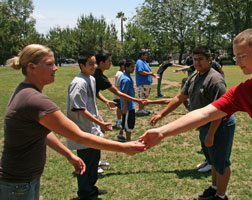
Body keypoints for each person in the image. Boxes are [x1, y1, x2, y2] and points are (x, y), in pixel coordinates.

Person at [140, 28, 252, 200]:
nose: (237, 62)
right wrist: (163, 131)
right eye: (235, 57)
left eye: (241, 56)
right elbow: (203, 114)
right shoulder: (245, 92)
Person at [0, 44, 145, 200]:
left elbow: (44, 133)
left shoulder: (26, 92)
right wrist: (124, 147)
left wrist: (69, 155)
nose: (55, 68)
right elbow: (79, 136)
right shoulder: (35, 100)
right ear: (31, 67)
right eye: (49, 64)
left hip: (26, 179)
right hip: (18, 184)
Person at [149, 46, 235, 200]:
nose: (197, 62)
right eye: (195, 59)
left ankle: (221, 196)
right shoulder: (194, 77)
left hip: (220, 124)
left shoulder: (215, 80)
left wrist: (211, 134)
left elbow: (221, 111)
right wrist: (162, 114)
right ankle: (214, 188)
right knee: (213, 160)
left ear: (209, 60)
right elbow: (179, 98)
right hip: (205, 124)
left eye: (200, 59)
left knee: (221, 161)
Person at [66, 52, 114, 199]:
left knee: (94, 161)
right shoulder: (78, 83)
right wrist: (100, 123)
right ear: (81, 66)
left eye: (94, 63)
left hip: (92, 129)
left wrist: (99, 124)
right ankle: (84, 193)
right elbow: (80, 109)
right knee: (86, 163)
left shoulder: (91, 80)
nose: (94, 66)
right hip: (83, 130)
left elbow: (92, 105)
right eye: (90, 64)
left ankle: (91, 188)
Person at [117, 59, 136, 142]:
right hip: (128, 105)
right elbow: (123, 93)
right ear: (126, 67)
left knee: (125, 120)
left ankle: (120, 134)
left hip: (130, 104)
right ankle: (128, 139)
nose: (133, 69)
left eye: (134, 67)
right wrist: (124, 106)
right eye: (132, 67)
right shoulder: (125, 79)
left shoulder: (127, 76)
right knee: (129, 122)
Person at [135, 50, 159, 116]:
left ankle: (143, 108)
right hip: (142, 82)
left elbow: (148, 71)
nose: (146, 56)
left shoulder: (144, 62)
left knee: (145, 96)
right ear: (141, 55)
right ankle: (140, 110)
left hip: (147, 82)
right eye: (145, 55)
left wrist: (153, 75)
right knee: (142, 96)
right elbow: (140, 71)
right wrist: (150, 73)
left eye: (146, 55)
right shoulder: (140, 62)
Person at [114, 59, 126, 129]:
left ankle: (120, 120)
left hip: (120, 94)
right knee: (119, 108)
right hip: (118, 95)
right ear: (122, 66)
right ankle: (119, 121)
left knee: (121, 108)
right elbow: (119, 85)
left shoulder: (121, 73)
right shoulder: (120, 74)